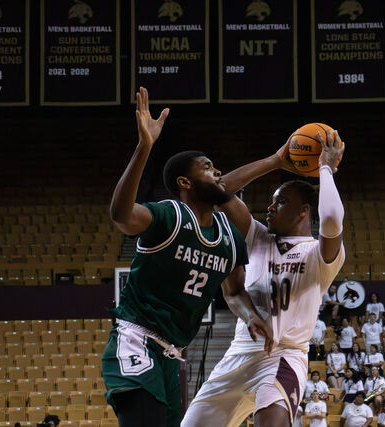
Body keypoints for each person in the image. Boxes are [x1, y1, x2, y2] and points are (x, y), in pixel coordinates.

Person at [105, 88, 272, 427]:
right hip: (137, 339)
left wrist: (251, 315)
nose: (217, 171)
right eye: (207, 168)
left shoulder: (228, 236)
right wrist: (144, 148)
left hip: (171, 354)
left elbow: (234, 292)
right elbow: (121, 215)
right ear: (185, 182)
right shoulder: (169, 216)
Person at [182, 128, 345, 427]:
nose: (269, 207)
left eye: (280, 202)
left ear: (304, 211)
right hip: (239, 353)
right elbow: (214, 192)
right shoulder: (256, 236)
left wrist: (325, 169)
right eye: (271, 201)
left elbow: (333, 220)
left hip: (283, 357)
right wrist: (274, 161)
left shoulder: (318, 254)